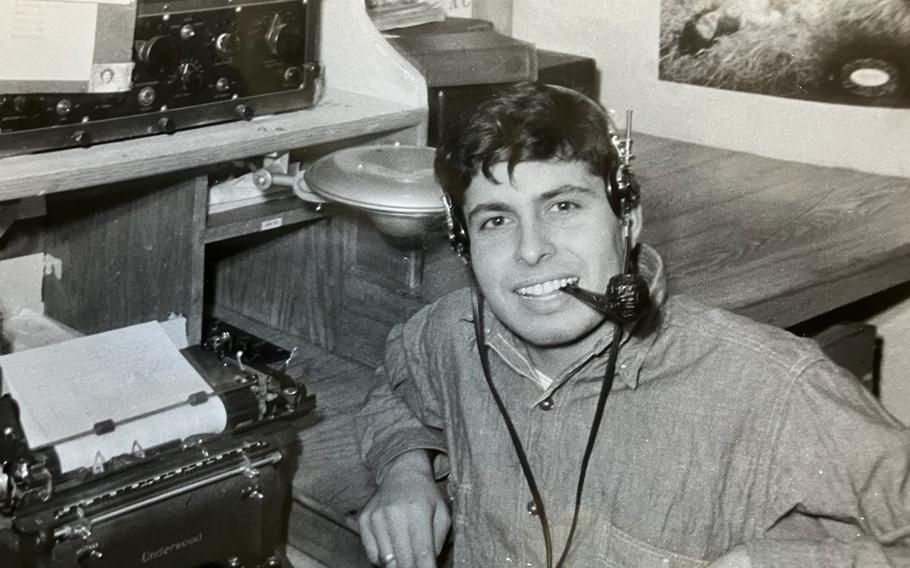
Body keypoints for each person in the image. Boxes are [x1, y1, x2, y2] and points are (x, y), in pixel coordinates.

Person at [355, 82, 910, 568]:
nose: (530, 251)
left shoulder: (775, 389)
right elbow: (398, 382)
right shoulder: (450, 331)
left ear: (627, 220)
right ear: (464, 246)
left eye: (563, 207)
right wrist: (405, 468)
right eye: (496, 220)